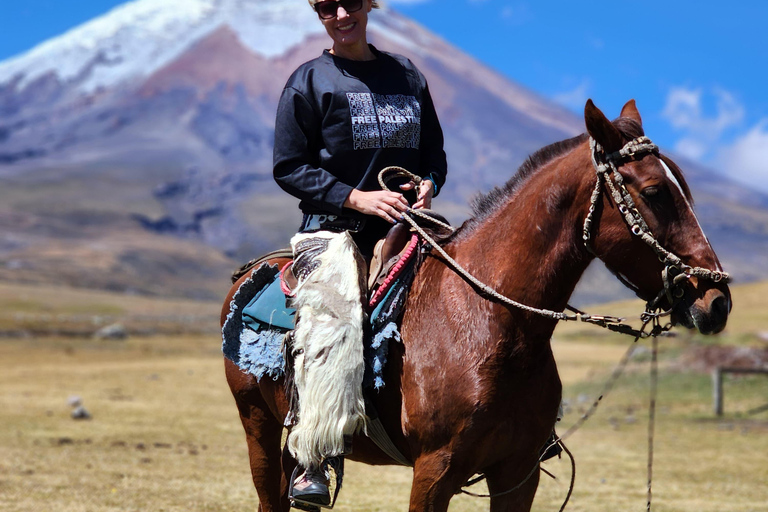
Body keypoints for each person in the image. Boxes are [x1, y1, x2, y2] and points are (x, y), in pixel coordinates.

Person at [273, 0, 447, 507]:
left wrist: (428, 185)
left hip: (410, 224)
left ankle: (515, 423)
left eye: (350, 0)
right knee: (332, 319)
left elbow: (434, 152)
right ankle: (315, 455)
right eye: (326, 5)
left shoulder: (407, 74)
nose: (340, 13)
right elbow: (288, 166)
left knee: (484, 283)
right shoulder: (308, 82)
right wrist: (358, 197)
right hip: (335, 230)